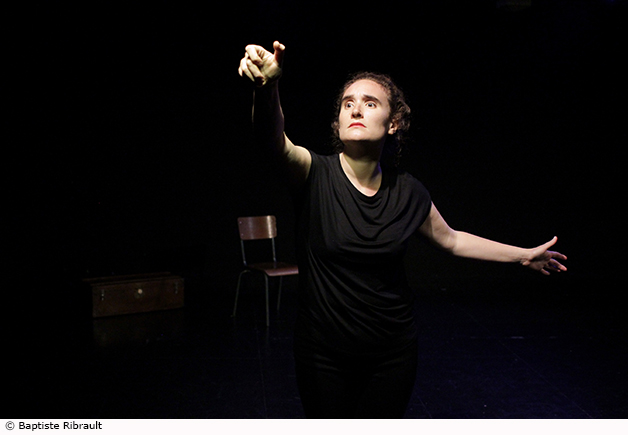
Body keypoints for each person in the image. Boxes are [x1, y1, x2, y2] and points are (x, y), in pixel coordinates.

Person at [238, 41, 567, 418]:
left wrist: (522, 256)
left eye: (370, 103)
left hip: (391, 355)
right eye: (348, 103)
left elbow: (452, 239)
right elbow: (273, 142)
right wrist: (267, 88)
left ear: (392, 123)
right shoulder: (314, 174)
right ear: (338, 122)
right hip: (323, 355)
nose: (356, 109)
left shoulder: (408, 192)